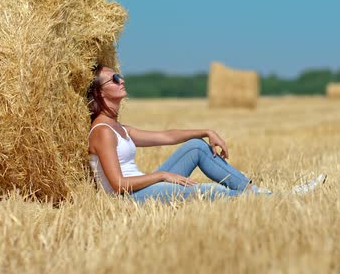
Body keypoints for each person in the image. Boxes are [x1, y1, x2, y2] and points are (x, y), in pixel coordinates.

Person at [86, 64, 326, 203]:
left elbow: (166, 136)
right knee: (206, 192)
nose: (122, 79)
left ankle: (253, 191)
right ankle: (279, 198)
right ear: (100, 92)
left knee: (196, 145)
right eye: (114, 79)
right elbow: (118, 185)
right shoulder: (102, 132)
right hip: (131, 199)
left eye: (119, 75)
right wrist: (162, 176)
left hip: (143, 188)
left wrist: (206, 131)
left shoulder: (120, 129)